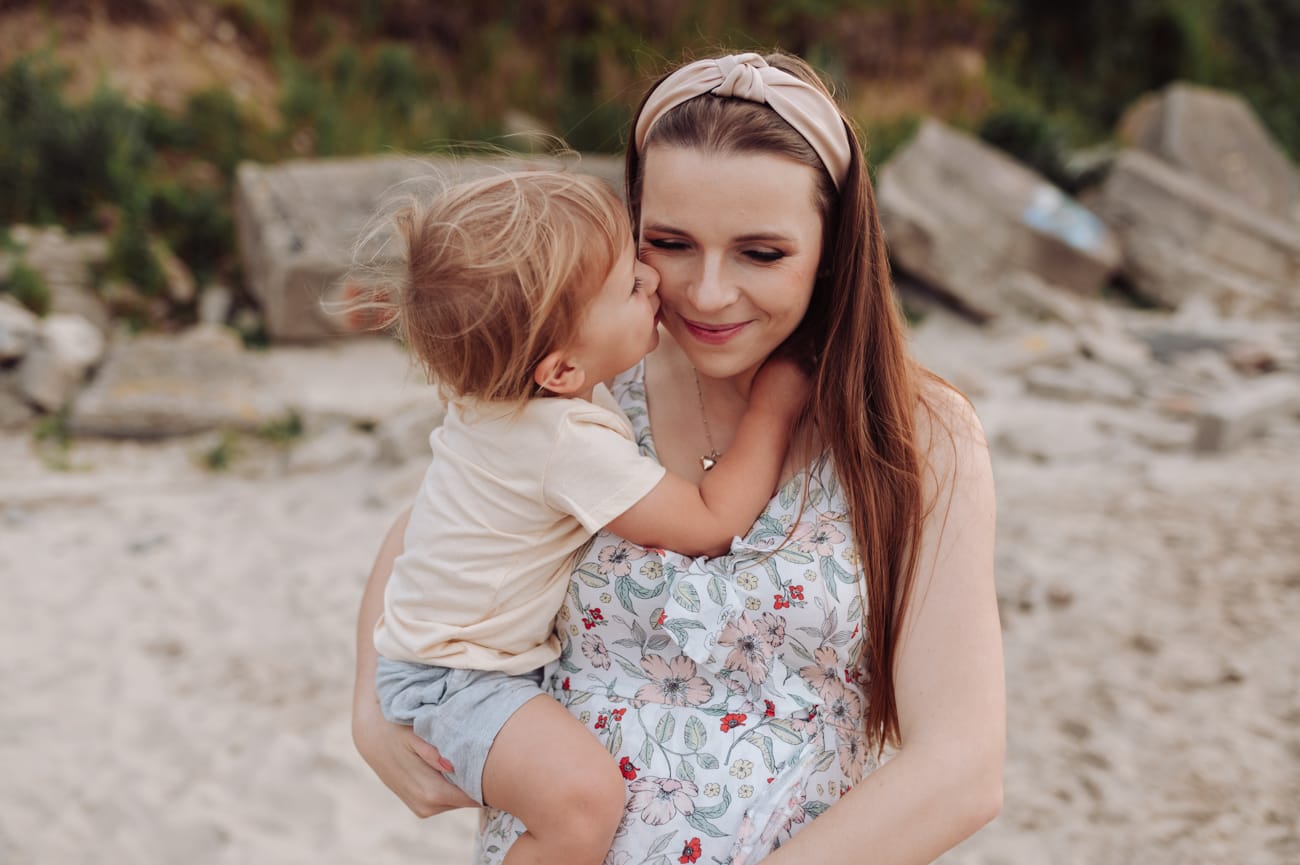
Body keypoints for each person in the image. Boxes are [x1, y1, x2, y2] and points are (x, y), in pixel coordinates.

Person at [353, 51, 1004, 865]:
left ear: (833, 247)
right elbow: (432, 532)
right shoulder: (580, 385)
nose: (706, 292)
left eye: (761, 253)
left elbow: (962, 768)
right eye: (670, 243)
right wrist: (370, 708)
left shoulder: (918, 434)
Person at [366, 170, 810, 865]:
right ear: (561, 372)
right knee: (583, 802)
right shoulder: (563, 442)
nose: (654, 280)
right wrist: (775, 405)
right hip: (457, 681)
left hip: (435, 663)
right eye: (630, 286)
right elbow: (708, 521)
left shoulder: (500, 395)